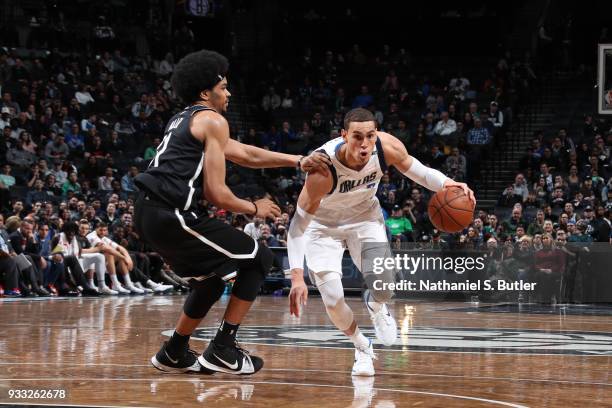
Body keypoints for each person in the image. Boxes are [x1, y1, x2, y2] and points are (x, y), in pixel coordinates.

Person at [133, 50, 329, 375]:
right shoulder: (212, 120)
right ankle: (223, 348)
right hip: (173, 213)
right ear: (204, 92)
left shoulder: (185, 118)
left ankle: (174, 351)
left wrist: (297, 160)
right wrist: (256, 208)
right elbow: (216, 193)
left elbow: (244, 153)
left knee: (210, 282)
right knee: (260, 259)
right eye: (223, 87)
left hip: (148, 213)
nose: (229, 93)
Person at [287, 108, 474, 376]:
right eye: (357, 137)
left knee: (385, 287)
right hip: (322, 228)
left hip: (364, 217)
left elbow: (419, 172)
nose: (364, 144)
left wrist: (450, 184)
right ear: (344, 135)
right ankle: (362, 347)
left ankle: (375, 304)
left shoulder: (386, 148)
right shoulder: (322, 170)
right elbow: (296, 227)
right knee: (332, 297)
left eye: (370, 136)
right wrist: (296, 277)